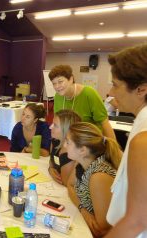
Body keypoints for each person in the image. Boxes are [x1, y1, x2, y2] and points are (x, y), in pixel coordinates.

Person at [105, 44, 147, 238]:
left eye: (115, 84)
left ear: (141, 90)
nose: (110, 92)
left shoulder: (143, 139)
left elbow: (137, 222)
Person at [65, 122, 121, 237]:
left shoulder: (98, 176)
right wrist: (83, 210)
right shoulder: (82, 162)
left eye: (68, 142)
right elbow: (70, 186)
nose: (64, 146)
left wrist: (82, 210)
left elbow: (101, 229)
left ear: (82, 150)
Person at [48, 65, 116, 140]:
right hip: (70, 141)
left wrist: (113, 148)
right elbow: (57, 122)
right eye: (54, 83)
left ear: (71, 79)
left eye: (60, 82)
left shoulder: (89, 94)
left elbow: (105, 124)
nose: (57, 86)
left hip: (91, 141)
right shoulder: (58, 96)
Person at [48, 109, 81, 185]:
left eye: (55, 125)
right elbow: (51, 161)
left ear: (66, 130)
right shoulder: (55, 141)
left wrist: (52, 170)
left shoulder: (70, 154)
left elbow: (65, 183)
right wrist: (51, 169)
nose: (50, 127)